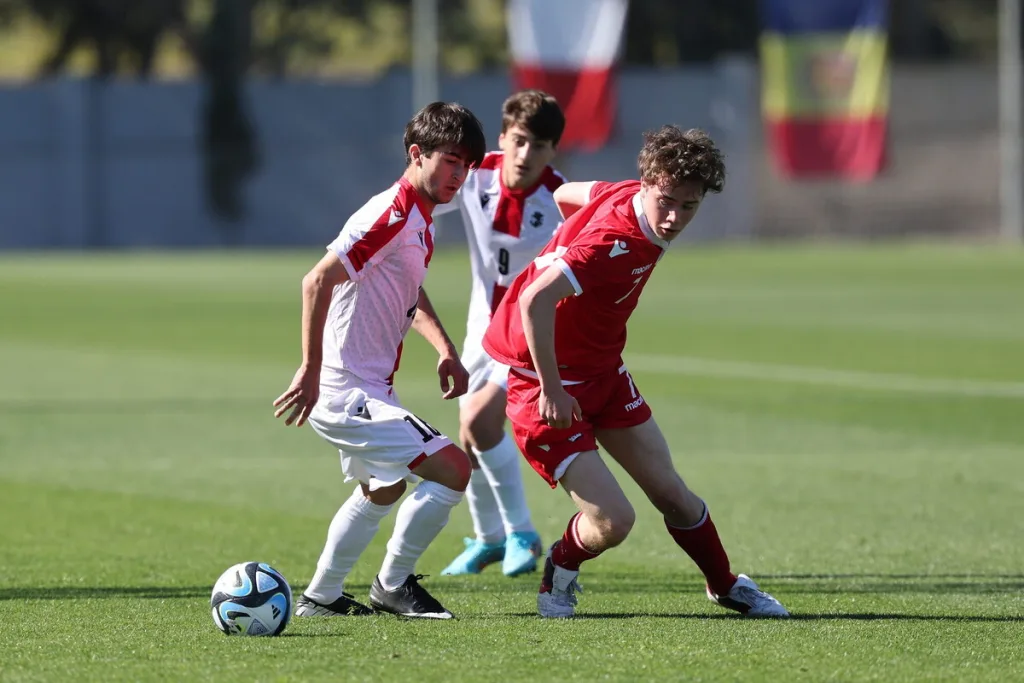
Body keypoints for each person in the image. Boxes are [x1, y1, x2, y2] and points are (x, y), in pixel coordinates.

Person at [481, 125, 790, 618]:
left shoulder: (625, 192)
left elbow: (565, 193)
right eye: (666, 201)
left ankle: (725, 584)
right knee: (612, 522)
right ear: (646, 183)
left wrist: (562, 240)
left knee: (674, 495)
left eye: (688, 206)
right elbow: (535, 301)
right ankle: (560, 569)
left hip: (603, 371)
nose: (673, 218)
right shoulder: (611, 243)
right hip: (544, 385)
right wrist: (553, 388)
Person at [272, 101, 487, 620]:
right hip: (345, 389)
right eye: (451, 160)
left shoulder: (421, 222)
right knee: (453, 467)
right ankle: (392, 586)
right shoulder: (390, 213)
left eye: (468, 165)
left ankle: (320, 597)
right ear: (418, 154)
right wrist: (309, 369)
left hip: (369, 388)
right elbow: (316, 280)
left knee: (383, 488)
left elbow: (409, 293)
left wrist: (446, 350)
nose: (459, 174)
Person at [432, 90, 567, 578]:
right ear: (505, 137)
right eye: (520, 141)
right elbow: (422, 199)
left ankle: (522, 533)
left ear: (553, 152)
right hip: (479, 327)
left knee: (482, 424)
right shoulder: (475, 174)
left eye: (541, 146)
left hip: (527, 334)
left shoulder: (559, 200)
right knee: (469, 438)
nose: (527, 155)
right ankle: (489, 539)